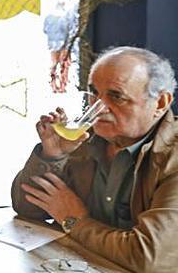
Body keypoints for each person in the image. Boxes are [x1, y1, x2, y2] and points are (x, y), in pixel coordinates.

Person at [12, 46, 178, 272]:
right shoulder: (86, 140)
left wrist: (73, 220)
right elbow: (26, 208)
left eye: (116, 96)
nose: (98, 108)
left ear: (159, 104)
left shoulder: (172, 157)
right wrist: (53, 156)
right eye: (94, 94)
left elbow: (149, 256)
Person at [43, 0, 78, 93]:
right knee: (64, 65)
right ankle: (62, 86)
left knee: (54, 64)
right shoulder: (65, 17)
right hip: (64, 44)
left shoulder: (49, 17)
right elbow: (69, 30)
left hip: (52, 44)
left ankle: (53, 86)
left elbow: (45, 30)